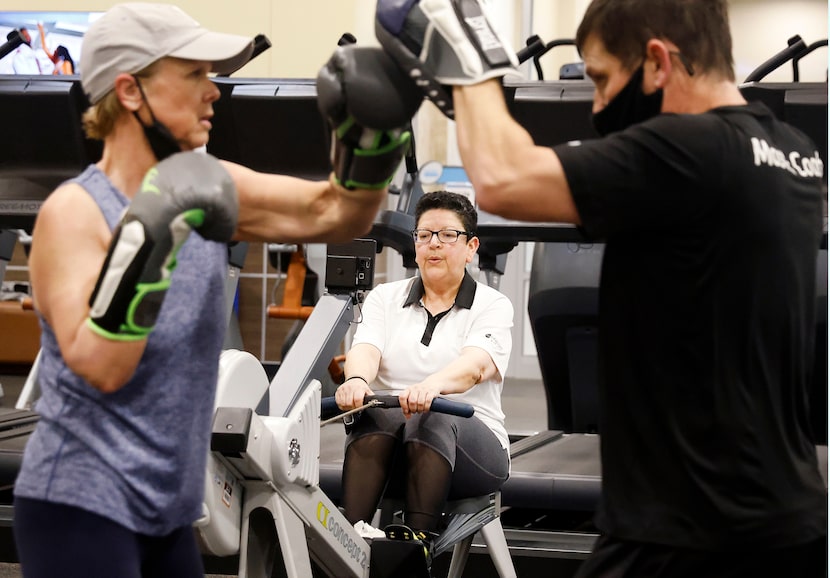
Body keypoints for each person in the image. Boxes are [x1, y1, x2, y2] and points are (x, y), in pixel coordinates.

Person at [375, 0, 828, 576]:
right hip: (788, 516)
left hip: (688, 527)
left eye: (602, 79)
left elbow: (501, 181)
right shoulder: (796, 153)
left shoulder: (688, 152)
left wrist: (466, 60)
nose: (597, 103)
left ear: (658, 63)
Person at [12, 3, 421, 577]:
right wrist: (156, 228)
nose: (215, 92)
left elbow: (337, 212)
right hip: (81, 505)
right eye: (195, 75)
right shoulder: (75, 214)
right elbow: (101, 368)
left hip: (169, 512)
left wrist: (376, 137)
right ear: (131, 91)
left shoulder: (209, 186)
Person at [335, 191, 513, 554]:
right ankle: (349, 544)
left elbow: (474, 367)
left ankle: (413, 552)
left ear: (470, 246)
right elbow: (365, 349)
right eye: (424, 235)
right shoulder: (385, 297)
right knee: (375, 413)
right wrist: (355, 380)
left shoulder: (492, 304)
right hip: (396, 448)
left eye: (448, 235)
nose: (434, 244)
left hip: (473, 453)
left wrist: (430, 388)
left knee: (430, 416)